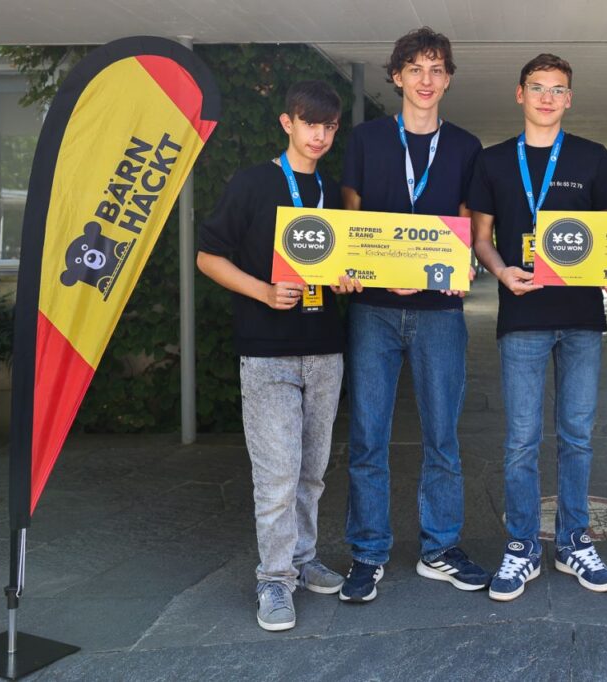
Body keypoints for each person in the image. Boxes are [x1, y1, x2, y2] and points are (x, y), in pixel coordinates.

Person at [197, 81, 360, 631]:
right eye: (310, 123)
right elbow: (208, 257)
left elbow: (341, 264)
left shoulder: (333, 192)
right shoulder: (252, 183)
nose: (320, 135)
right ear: (287, 123)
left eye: (329, 126)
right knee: (277, 475)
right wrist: (263, 291)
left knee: (312, 472)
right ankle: (273, 579)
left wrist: (347, 280)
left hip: (325, 349)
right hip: (267, 351)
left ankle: (302, 558)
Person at [339, 27, 489, 603]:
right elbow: (351, 220)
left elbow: (468, 224)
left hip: (439, 310)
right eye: (415, 69)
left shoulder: (466, 146)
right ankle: (368, 552)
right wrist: (365, 269)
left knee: (442, 436)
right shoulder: (366, 139)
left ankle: (440, 548)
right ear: (397, 76)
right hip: (373, 310)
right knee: (367, 438)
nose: (426, 80)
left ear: (447, 80)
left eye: (436, 70)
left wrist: (442, 271)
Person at [470, 53, 607, 601]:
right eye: (538, 87)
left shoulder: (591, 156)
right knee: (521, 440)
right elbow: (480, 237)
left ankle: (574, 540)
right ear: (520, 94)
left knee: (577, 436)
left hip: (580, 317)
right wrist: (500, 271)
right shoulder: (492, 161)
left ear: (569, 98)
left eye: (558, 89)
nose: (548, 97)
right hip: (522, 316)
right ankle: (522, 545)